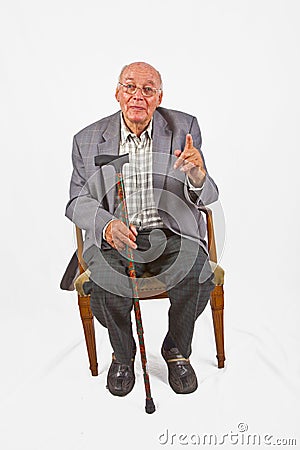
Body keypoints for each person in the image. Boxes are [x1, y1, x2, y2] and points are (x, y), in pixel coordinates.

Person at [66, 61, 219, 397]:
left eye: (148, 89)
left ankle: (176, 350)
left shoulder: (183, 128)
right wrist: (106, 226)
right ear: (118, 92)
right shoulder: (87, 140)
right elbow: (77, 202)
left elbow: (208, 196)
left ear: (159, 96)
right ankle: (123, 354)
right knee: (104, 282)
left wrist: (197, 176)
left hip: (171, 234)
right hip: (117, 237)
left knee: (198, 272)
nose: (139, 95)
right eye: (130, 87)